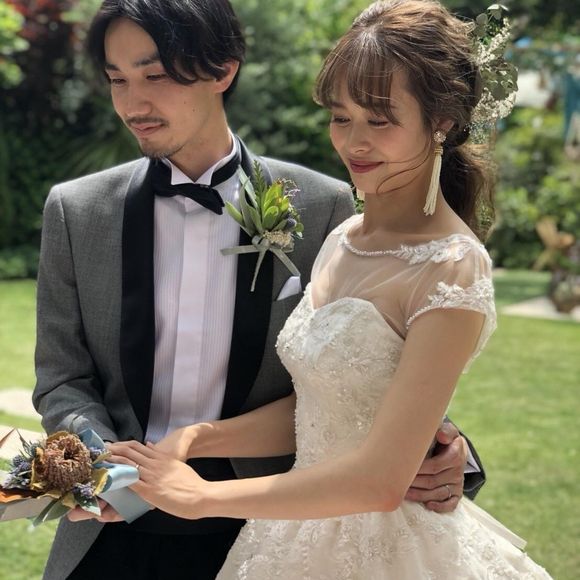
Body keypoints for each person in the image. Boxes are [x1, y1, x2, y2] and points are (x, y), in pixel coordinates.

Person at [33, 1, 483, 579]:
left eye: (156, 75)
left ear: (223, 69)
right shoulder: (76, 211)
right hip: (113, 529)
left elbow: (372, 367)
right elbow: (62, 379)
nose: (133, 104)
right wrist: (109, 471)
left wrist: (447, 447)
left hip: (268, 522)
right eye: (117, 79)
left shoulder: (324, 207)